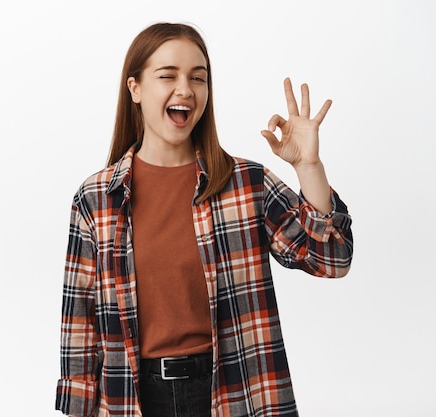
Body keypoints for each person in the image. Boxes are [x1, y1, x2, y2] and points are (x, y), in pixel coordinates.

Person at [55, 22, 353, 417]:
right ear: (135, 89)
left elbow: (331, 260)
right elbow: (80, 328)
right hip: (133, 398)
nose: (186, 89)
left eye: (198, 78)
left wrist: (309, 167)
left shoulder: (246, 184)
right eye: (168, 76)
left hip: (234, 390)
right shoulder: (96, 199)